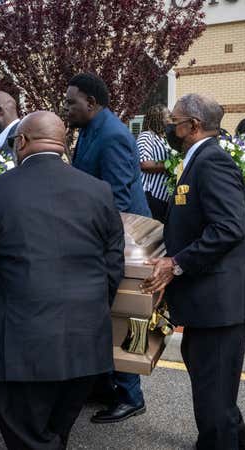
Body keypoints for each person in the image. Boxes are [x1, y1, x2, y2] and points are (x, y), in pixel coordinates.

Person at [0, 111, 124, 449]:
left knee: (29, 434)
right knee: (55, 429)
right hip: (86, 340)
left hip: (22, 341)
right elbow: (113, 265)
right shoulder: (99, 191)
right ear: (64, 145)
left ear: (21, 142)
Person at [142, 93, 245, 450]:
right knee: (213, 382)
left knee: (212, 392)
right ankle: (238, 439)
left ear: (193, 126)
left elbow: (227, 228)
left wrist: (176, 263)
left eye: (174, 121)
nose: (169, 126)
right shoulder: (197, 159)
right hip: (209, 297)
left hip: (221, 299)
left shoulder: (212, 162)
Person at [64, 73, 149, 423]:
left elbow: (117, 198)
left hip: (120, 237)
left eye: (71, 102)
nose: (66, 108)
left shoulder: (112, 135)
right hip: (102, 233)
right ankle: (103, 387)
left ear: (92, 103)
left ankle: (131, 396)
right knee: (97, 314)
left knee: (117, 315)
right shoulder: (89, 129)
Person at [137, 104, 172, 222]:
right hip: (151, 195)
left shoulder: (165, 138)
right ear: (158, 118)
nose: (170, 119)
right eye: (168, 116)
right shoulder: (146, 136)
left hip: (164, 196)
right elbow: (144, 163)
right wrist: (170, 166)